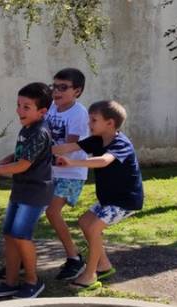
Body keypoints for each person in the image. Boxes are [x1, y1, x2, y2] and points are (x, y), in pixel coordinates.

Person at [53, 100, 144, 290]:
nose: (89, 124)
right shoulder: (97, 139)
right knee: (85, 222)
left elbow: (103, 161)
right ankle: (104, 265)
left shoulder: (121, 143)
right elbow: (69, 147)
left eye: (94, 120)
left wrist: (72, 163)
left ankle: (90, 276)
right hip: (108, 199)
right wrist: (41, 151)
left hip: (124, 201)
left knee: (93, 228)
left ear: (110, 123)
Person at [0, 82, 53, 299]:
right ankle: (10, 282)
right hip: (21, 189)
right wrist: (11, 156)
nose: (19, 110)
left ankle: (32, 281)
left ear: (42, 111)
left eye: (26, 107)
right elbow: (23, 156)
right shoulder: (27, 128)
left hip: (35, 192)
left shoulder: (40, 131)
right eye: (18, 105)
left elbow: (24, 165)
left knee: (21, 235)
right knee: (9, 234)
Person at [43, 68, 89, 280]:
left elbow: (71, 145)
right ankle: (21, 259)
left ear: (77, 91)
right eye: (55, 86)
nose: (57, 91)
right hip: (50, 169)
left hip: (71, 172)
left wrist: (43, 152)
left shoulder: (78, 113)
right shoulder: (51, 107)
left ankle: (74, 257)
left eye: (63, 87)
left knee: (53, 212)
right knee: (32, 209)